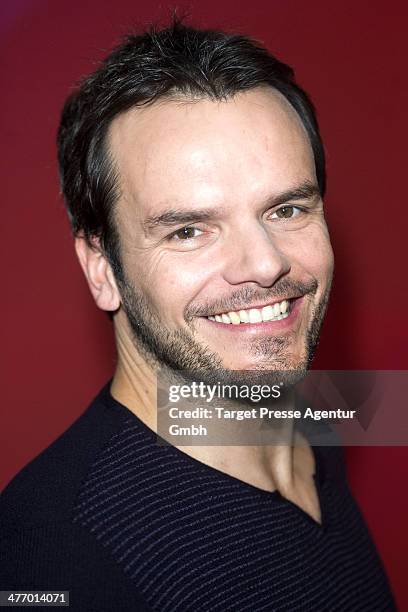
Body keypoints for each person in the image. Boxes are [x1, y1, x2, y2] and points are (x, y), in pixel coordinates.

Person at [0, 18, 396, 611]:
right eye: (188, 230)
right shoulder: (46, 558)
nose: (264, 265)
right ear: (101, 267)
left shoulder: (318, 415)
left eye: (287, 209)